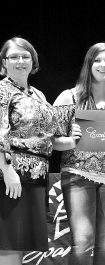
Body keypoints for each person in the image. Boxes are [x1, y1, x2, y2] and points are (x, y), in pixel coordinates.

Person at [52, 42, 105, 265]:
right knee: (82, 241)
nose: (102, 65)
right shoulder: (68, 97)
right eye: (97, 60)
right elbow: (51, 142)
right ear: (88, 64)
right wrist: (71, 140)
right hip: (77, 175)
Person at [0, 37, 58, 265]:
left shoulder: (38, 95)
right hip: (12, 177)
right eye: (13, 57)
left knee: (22, 247)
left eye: (25, 56)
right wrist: (7, 171)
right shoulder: (2, 90)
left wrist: (75, 140)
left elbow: (48, 138)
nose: (20, 61)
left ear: (33, 61)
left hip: (36, 178)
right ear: (4, 62)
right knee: (9, 245)